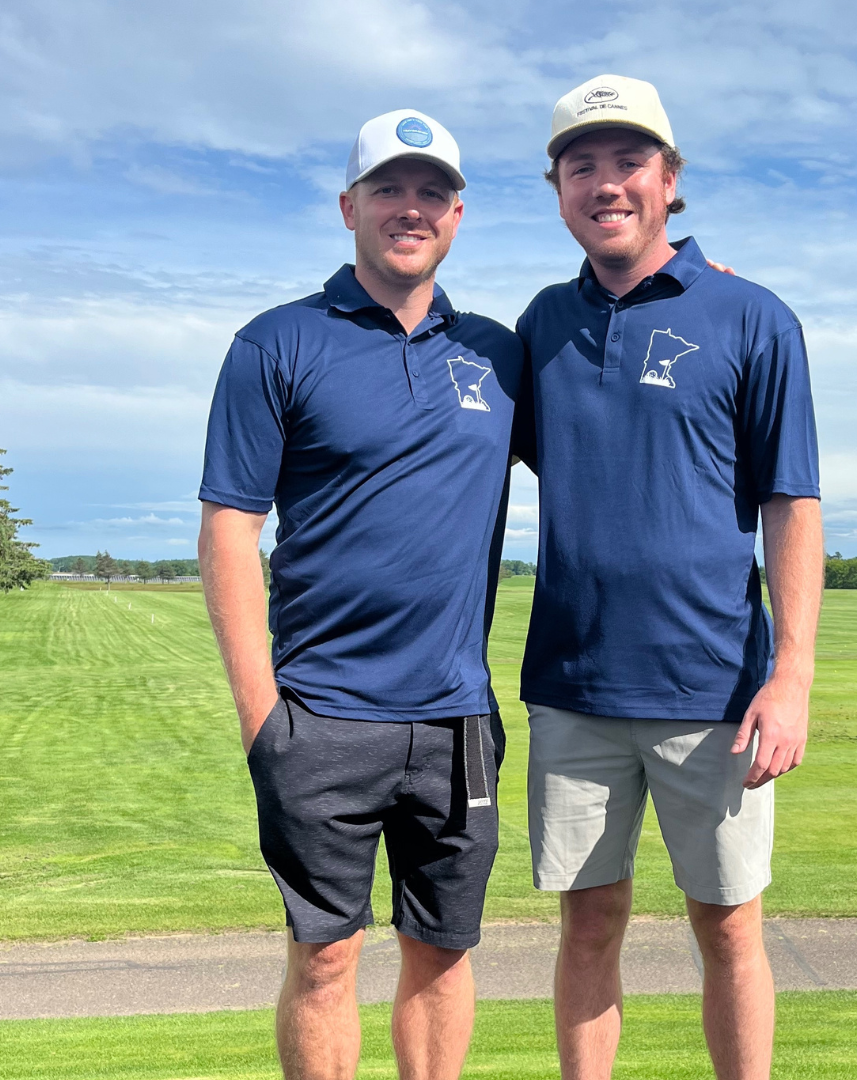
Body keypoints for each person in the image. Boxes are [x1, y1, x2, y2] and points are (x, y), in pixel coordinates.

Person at [197, 109, 524, 1080]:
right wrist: (265, 720)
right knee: (326, 955)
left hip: (457, 719)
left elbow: (611, 420)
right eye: (388, 187)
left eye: (431, 191)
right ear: (349, 206)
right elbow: (228, 529)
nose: (410, 207)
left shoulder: (503, 356)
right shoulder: (278, 343)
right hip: (321, 719)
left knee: (441, 951)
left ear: (459, 214)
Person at [515, 75, 823, 1080]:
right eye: (582, 164)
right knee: (589, 922)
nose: (606, 183)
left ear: (670, 178)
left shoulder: (752, 316)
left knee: (729, 927)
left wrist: (793, 678)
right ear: (559, 188)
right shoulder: (539, 327)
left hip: (716, 692)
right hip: (575, 686)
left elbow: (793, 505)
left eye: (628, 161)